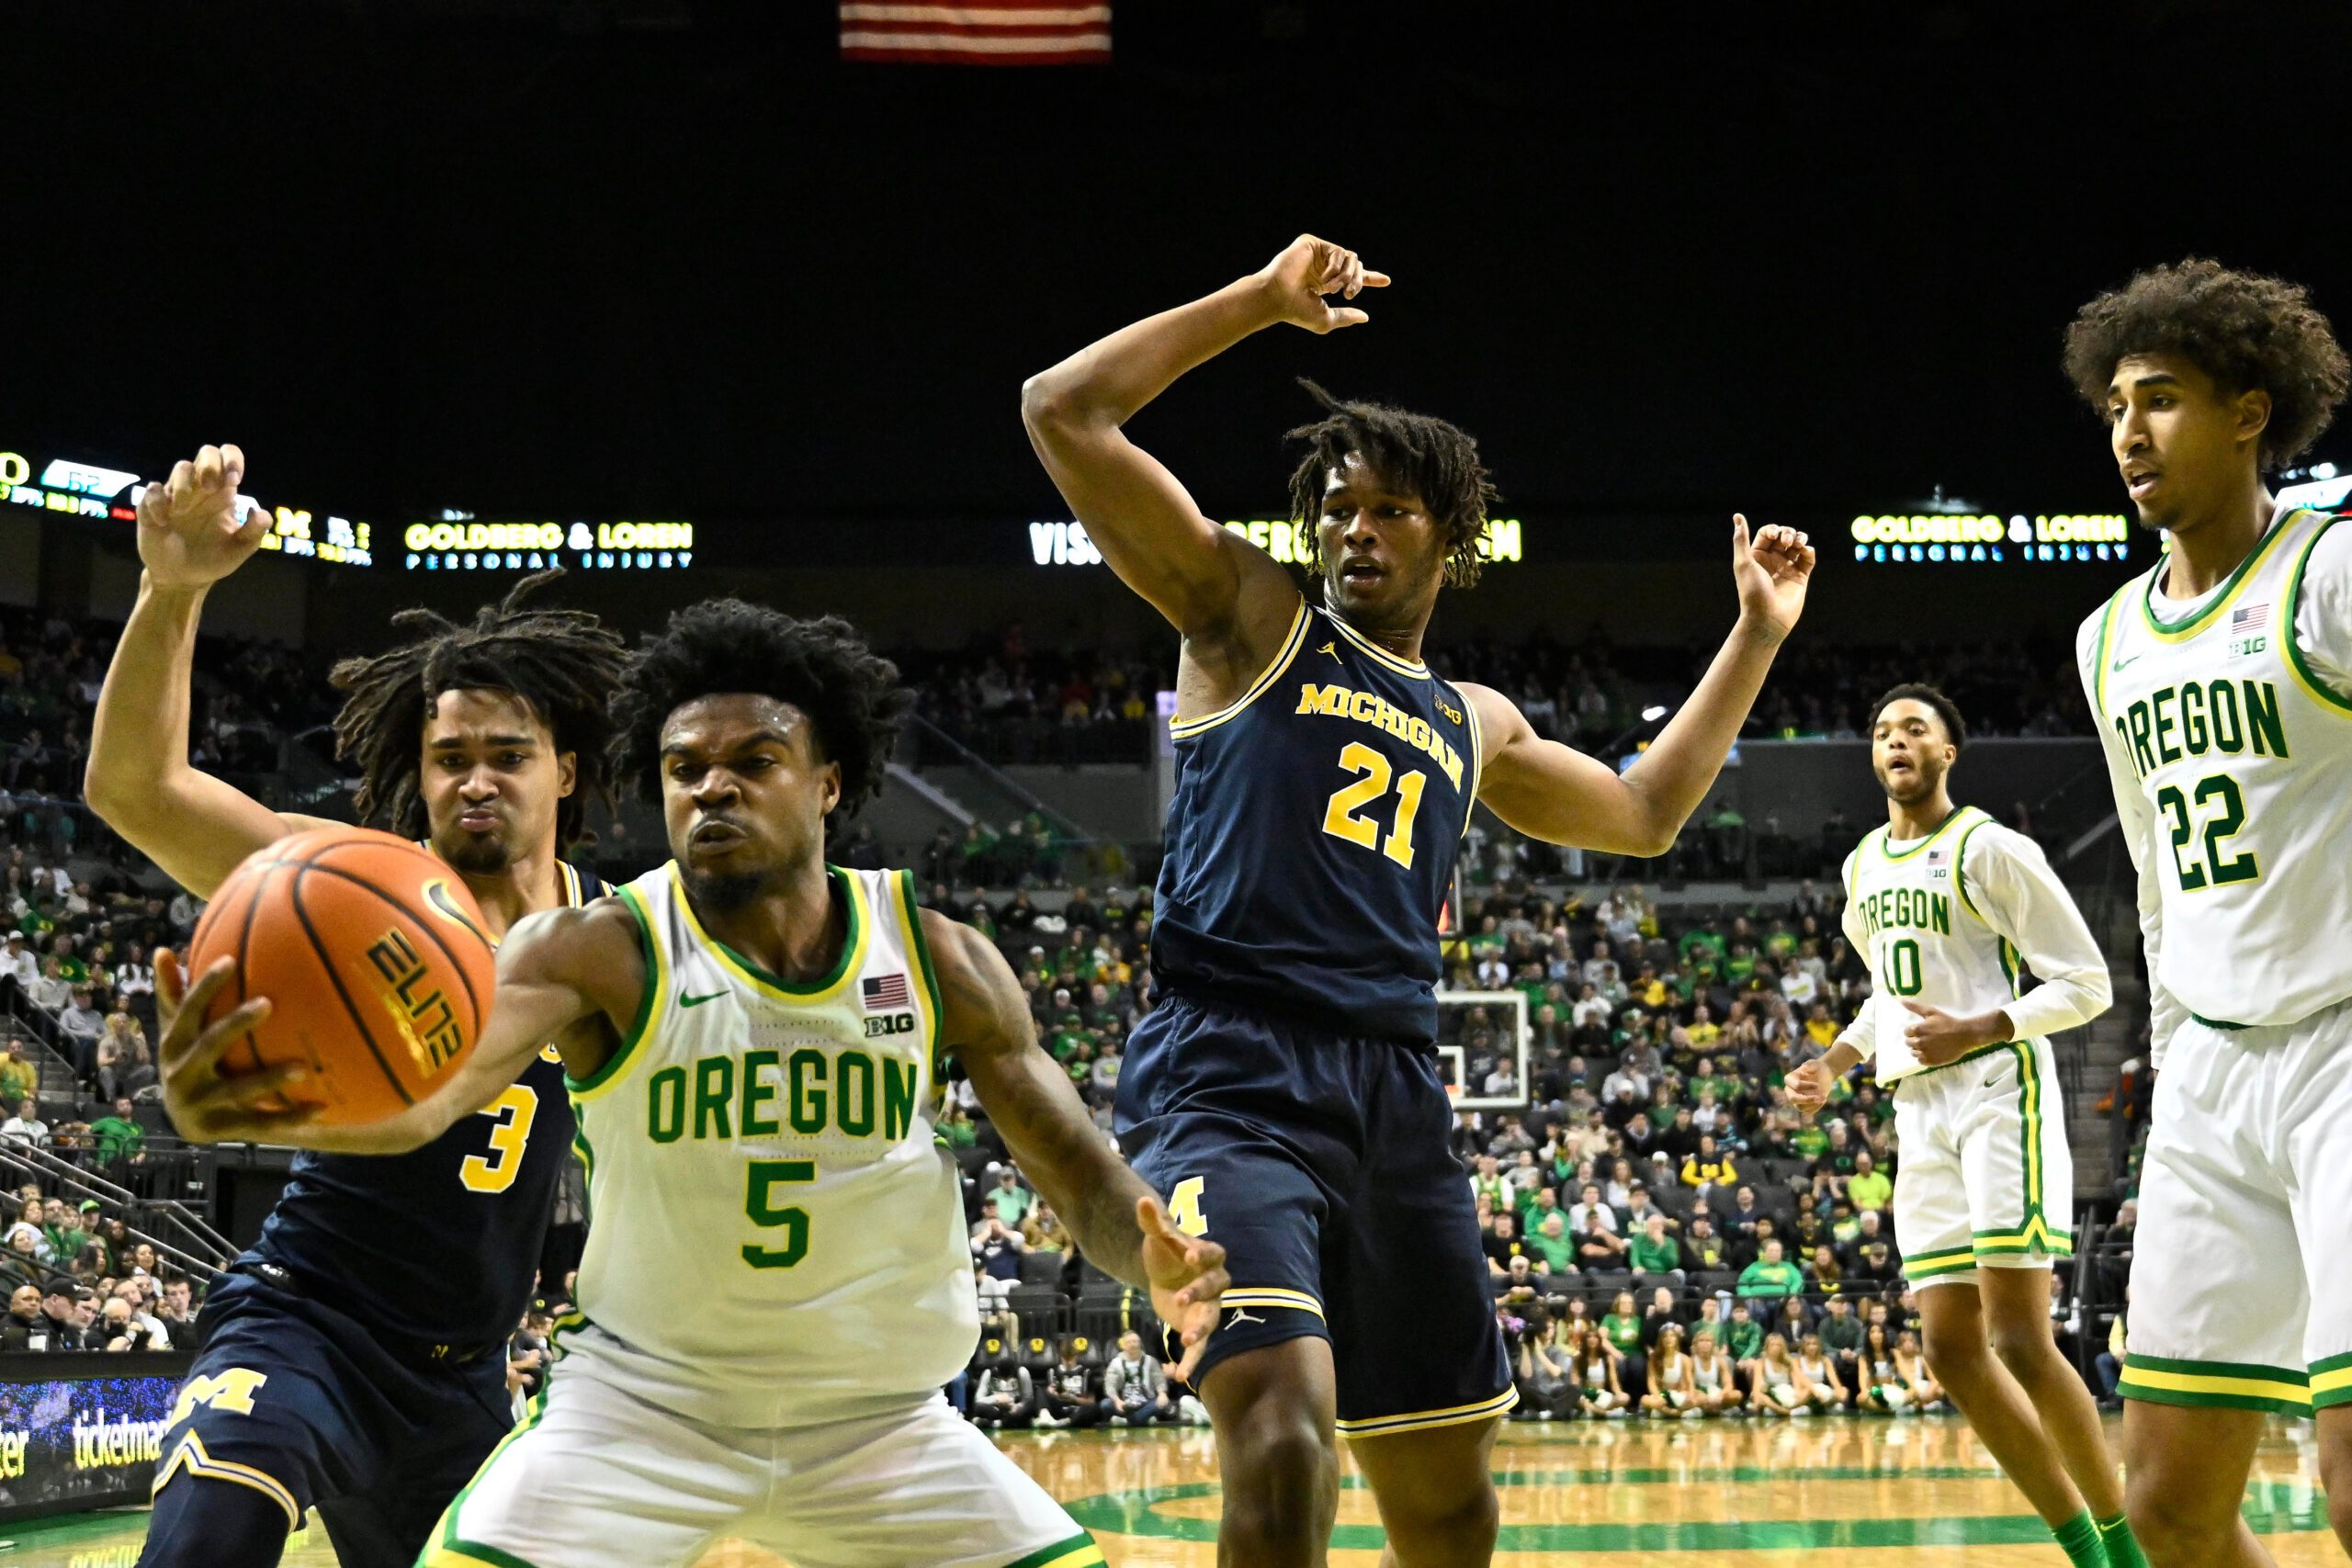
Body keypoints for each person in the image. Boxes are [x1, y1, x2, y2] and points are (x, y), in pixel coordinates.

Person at [1022, 231, 1813, 1563]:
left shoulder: (1473, 716)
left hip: (1394, 1092)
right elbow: (1062, 407)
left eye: (1388, 506)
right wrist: (1264, 305)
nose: (1353, 526)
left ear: (1454, 533)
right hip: (1228, 1076)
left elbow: (1644, 812)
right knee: (1280, 1434)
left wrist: (1755, 634)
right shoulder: (1249, 616)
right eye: (1335, 504)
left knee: (1450, 1504)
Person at [160, 600, 1227, 1568]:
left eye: (754, 759)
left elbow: (1082, 1182)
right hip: (639, 1411)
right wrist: (282, 1104)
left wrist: (1156, 1260)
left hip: (884, 1422)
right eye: (683, 768)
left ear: (828, 782)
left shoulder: (938, 956)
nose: (712, 784)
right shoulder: (595, 949)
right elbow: (431, 1096)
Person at [93, 446, 631, 1568]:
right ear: (419, 772)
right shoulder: (350, 886)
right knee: (205, 1544)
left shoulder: (616, 942)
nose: (474, 779)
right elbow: (136, 791)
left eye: (506, 755)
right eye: (448, 758)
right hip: (307, 1321)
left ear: (566, 772)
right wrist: (173, 591)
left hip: (468, 1377)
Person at [2066, 260, 2352, 1568]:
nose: (2130, 430)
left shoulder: (2332, 572)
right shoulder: (2109, 635)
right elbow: (2156, 876)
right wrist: (2176, 1061)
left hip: (2346, 1046)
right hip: (2212, 1069)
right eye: (2118, 403)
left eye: (2164, 398)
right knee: (2170, 1502)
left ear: (2251, 411)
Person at [1787, 681, 2134, 1568]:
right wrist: (1835, 1061)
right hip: (1918, 1104)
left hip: (1994, 1089)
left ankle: (2127, 1541)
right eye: (1881, 730)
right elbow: (1887, 996)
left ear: (1948, 753)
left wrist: (1983, 1024)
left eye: (1915, 729)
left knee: (2020, 1335)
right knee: (1948, 1347)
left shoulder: (1991, 848)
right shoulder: (1862, 866)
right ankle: (2081, 1546)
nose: (1895, 741)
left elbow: (2085, 981)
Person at [1102, 1331, 1176, 1427]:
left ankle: (1127, 1422)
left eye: (1135, 1341)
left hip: (1146, 1402)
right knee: (1105, 1404)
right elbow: (1110, 1385)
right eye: (1129, 1342)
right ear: (1123, 1346)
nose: (1133, 1344)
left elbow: (1159, 1380)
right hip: (1124, 1404)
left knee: (1161, 1403)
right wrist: (1117, 1400)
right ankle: (1143, 1419)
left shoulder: (1151, 1361)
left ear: (1140, 1344)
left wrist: (1162, 1394)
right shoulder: (1115, 1363)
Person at [1640, 1325, 1697, 1419]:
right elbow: (1651, 1382)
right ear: (1661, 1340)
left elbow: (1690, 1381)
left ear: (1677, 1339)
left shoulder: (1684, 1359)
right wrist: (1658, 1396)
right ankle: (1671, 1412)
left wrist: (1690, 1396)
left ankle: (1669, 1411)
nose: (1668, 1339)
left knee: (1695, 1400)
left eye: (1672, 1336)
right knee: (1644, 1399)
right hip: (1663, 1394)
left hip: (1679, 1393)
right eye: (1665, 1336)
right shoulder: (1654, 1358)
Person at [1686, 1328, 1741, 1417]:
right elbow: (1689, 1385)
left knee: (1737, 1395)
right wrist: (1701, 1395)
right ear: (1696, 1344)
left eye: (1708, 1341)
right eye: (1701, 1341)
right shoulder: (1691, 1361)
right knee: (1695, 1399)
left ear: (1712, 1344)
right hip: (1698, 1392)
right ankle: (1715, 1410)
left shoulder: (1719, 1361)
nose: (1705, 1343)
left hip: (1714, 1391)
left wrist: (1720, 1395)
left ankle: (1713, 1410)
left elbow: (1729, 1385)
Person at [1573, 1326, 1626, 1418]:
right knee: (1575, 1398)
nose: (1592, 1339)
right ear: (1585, 1341)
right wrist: (1581, 1395)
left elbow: (1614, 1381)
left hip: (1603, 1394)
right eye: (1589, 1337)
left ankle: (1592, 1411)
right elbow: (1575, 1383)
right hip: (1586, 1395)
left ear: (1599, 1340)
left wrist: (1619, 1394)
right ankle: (1606, 1414)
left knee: (1624, 1398)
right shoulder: (1578, 1359)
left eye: (1595, 1337)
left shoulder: (1608, 1359)